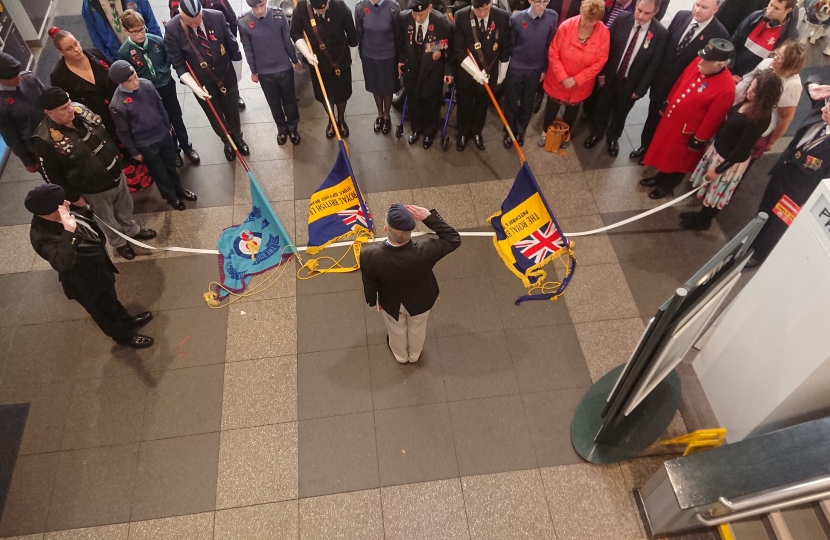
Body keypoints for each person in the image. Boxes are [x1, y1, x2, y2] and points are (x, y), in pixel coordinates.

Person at [34, 87, 157, 260]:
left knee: (125, 205)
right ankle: (119, 242)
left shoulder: (80, 110)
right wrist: (74, 197)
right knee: (107, 218)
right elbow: (52, 177)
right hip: (92, 188)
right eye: (63, 109)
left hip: (115, 172)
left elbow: (104, 133)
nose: (70, 110)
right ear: (49, 112)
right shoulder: (45, 140)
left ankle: (131, 229)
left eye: (69, 104)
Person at [27, 184, 154, 349]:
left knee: (111, 301)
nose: (66, 203)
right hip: (86, 283)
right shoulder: (42, 236)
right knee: (104, 313)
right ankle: (123, 336)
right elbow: (61, 263)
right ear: (47, 212)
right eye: (61, 202)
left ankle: (127, 321)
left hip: (99, 270)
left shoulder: (63, 213)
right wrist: (69, 233)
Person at [680, 69, 782, 229]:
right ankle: (700, 216)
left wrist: (719, 169)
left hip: (728, 161)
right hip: (719, 150)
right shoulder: (750, 103)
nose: (749, 91)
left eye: (754, 91)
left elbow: (741, 150)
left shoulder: (759, 118)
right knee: (708, 190)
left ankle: (703, 221)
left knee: (714, 195)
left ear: (764, 96)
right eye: (751, 86)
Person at [359, 204, 461, 364]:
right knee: (418, 328)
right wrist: (429, 217)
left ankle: (400, 356)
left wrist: (372, 301)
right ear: (410, 232)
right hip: (421, 299)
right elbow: (453, 239)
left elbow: (369, 281)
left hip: (391, 301)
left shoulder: (370, 254)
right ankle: (414, 355)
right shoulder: (427, 248)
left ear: (386, 229)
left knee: (396, 330)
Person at [629, 0, 729, 162]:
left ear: (715, 9)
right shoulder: (681, 16)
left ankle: (658, 153)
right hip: (662, 82)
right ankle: (645, 146)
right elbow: (665, 46)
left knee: (670, 126)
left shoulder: (719, 35)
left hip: (685, 90)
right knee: (653, 116)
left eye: (704, 7)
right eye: (696, 4)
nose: (697, 10)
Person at [747, 78, 830, 267]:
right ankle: (751, 236)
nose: (824, 109)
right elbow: (811, 80)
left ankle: (759, 254)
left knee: (778, 224)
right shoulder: (822, 108)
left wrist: (810, 202)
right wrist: (814, 86)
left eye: (829, 110)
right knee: (765, 207)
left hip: (799, 191)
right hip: (783, 170)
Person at [640, 38, 736, 198]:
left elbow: (713, 118)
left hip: (687, 132)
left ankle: (667, 185)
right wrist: (668, 102)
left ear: (720, 65)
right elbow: (681, 81)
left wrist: (699, 138)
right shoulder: (700, 61)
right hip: (672, 120)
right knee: (664, 151)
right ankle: (659, 177)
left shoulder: (726, 89)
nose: (701, 62)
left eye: (707, 61)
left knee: (677, 161)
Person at [164, 0, 249, 162]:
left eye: (198, 19)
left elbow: (233, 47)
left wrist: (237, 75)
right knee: (214, 114)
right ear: (181, 14)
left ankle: (238, 137)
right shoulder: (173, 29)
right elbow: (178, 65)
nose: (195, 24)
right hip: (202, 83)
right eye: (190, 22)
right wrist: (195, 87)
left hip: (226, 75)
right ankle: (227, 141)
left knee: (232, 110)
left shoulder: (216, 17)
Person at [109, 61, 199, 211]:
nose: (135, 82)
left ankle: (179, 190)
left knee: (171, 165)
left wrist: (167, 127)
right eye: (129, 81)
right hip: (145, 143)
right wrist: (134, 151)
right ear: (120, 83)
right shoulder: (117, 104)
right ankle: (170, 197)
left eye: (135, 76)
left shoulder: (147, 85)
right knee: (159, 171)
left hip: (162, 134)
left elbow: (160, 106)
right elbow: (123, 131)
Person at [118, 9, 201, 167]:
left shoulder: (156, 41)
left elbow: (167, 58)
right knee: (163, 122)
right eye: (135, 32)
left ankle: (187, 147)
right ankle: (174, 151)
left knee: (176, 116)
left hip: (166, 85)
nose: (140, 34)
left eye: (142, 29)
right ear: (126, 30)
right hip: (148, 93)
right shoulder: (124, 52)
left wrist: (163, 71)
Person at [584, 0, 667, 156]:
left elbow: (653, 66)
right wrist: (601, 73)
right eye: (639, 10)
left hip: (631, 83)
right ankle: (597, 132)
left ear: (655, 12)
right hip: (610, 76)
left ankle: (613, 137)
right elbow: (605, 48)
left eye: (647, 13)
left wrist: (641, 89)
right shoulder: (622, 19)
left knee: (621, 112)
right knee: (603, 105)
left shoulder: (660, 34)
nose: (641, 16)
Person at [538, 0, 609, 148]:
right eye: (584, 19)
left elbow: (600, 61)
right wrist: (563, 77)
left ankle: (565, 134)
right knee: (552, 107)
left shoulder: (604, 33)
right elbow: (553, 52)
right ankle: (545, 131)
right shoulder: (566, 26)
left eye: (591, 22)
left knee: (572, 111)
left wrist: (578, 79)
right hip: (557, 80)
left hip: (580, 85)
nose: (586, 24)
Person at [238, 0, 303, 146]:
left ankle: (293, 127)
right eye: (255, 7)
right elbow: (248, 49)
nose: (259, 10)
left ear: (265, 2)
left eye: (261, 6)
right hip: (264, 71)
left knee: (290, 100)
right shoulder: (243, 22)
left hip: (284, 67)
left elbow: (287, 40)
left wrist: (294, 60)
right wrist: (253, 71)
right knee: (273, 102)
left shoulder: (278, 16)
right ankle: (281, 128)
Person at [291, 0, 359, 138]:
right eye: (318, 10)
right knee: (325, 95)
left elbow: (352, 34)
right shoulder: (302, 8)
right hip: (318, 61)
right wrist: (307, 54)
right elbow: (295, 33)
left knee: (342, 93)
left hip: (340, 57)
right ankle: (331, 120)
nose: (322, 11)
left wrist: (352, 58)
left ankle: (340, 119)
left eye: (324, 8)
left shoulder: (339, 6)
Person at [453, 0, 512, 151]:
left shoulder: (503, 17)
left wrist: (502, 72)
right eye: (478, 10)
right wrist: (475, 73)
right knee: (464, 103)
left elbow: (505, 47)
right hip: (467, 72)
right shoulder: (460, 16)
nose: (482, 13)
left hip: (490, 72)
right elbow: (459, 50)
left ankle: (477, 131)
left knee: (482, 104)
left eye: (486, 9)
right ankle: (463, 133)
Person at [396, 0, 455, 149]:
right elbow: (401, 42)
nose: (417, 18)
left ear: (430, 8)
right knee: (414, 100)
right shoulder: (404, 18)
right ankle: (416, 129)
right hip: (412, 67)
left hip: (432, 69)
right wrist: (401, 60)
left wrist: (448, 69)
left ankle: (429, 132)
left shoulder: (441, 21)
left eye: (421, 14)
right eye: (414, 13)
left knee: (431, 102)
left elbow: (450, 46)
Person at [736, 38, 805, 163]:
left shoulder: (792, 85)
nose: (775, 59)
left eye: (780, 58)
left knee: (741, 156)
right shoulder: (767, 62)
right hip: (743, 110)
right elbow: (749, 79)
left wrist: (771, 142)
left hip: (759, 124)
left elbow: (786, 117)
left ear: (790, 64)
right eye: (776, 54)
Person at [48, 27, 121, 144]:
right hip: (98, 122)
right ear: (60, 52)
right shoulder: (59, 76)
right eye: (69, 49)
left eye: (76, 43)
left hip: (120, 109)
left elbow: (116, 73)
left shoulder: (95, 53)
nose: (76, 49)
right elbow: (67, 105)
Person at [503, 0, 558, 148]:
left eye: (546, 2)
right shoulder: (516, 19)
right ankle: (509, 131)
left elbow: (549, 45)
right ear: (530, 1)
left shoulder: (552, 17)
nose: (542, 7)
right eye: (538, 2)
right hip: (516, 67)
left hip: (535, 69)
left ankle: (520, 131)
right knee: (511, 102)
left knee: (527, 103)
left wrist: (544, 69)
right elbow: (510, 45)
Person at [355, 0, 401, 135]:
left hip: (388, 55)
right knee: (375, 86)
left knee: (387, 88)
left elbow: (398, 35)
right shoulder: (360, 8)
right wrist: (362, 55)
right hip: (370, 55)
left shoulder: (393, 8)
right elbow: (359, 33)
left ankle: (387, 116)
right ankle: (379, 114)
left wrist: (400, 59)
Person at [728, 0, 798, 80]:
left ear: (788, 10)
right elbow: (734, 43)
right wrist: (729, 72)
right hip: (732, 72)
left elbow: (778, 67)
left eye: (777, 8)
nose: (770, 10)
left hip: (755, 82)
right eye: (771, 4)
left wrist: (750, 82)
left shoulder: (789, 36)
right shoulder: (754, 17)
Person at [0, 53, 46, 174]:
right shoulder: (1, 105)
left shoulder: (29, 77)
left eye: (18, 73)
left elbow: (47, 97)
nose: (20, 78)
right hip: (36, 147)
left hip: (57, 134)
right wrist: (28, 162)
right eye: (13, 77)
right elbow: (11, 137)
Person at [81, 0, 162, 60]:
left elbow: (152, 24)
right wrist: (110, 61)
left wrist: (159, 51)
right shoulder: (89, 4)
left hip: (145, 51)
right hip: (117, 57)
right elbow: (96, 39)